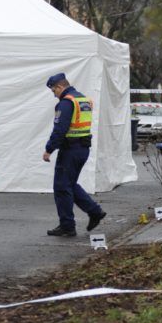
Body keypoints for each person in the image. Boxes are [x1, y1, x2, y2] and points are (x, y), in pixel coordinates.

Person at [42, 73, 106, 237]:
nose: (54, 94)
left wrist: (49, 149)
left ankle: (67, 226)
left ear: (60, 86)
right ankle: (94, 212)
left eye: (53, 90)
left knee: (62, 187)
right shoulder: (83, 100)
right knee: (70, 184)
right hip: (82, 149)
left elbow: (60, 130)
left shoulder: (66, 103)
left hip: (70, 150)